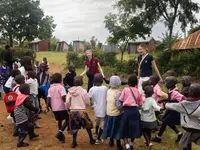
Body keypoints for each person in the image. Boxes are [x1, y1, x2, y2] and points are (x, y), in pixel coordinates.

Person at [165, 84, 200, 150]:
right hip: (198, 126)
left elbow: (173, 106)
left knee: (184, 144)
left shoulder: (185, 104)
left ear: (191, 93)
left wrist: (165, 104)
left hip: (191, 128)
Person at [152, 76, 184, 143]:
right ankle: (179, 134)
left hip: (173, 111)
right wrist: (163, 100)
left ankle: (158, 137)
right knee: (166, 122)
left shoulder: (175, 92)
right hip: (170, 109)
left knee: (165, 121)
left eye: (167, 82)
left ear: (171, 84)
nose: (165, 84)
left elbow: (182, 99)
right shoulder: (170, 90)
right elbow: (170, 98)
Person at [66, 76, 95, 148]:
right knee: (88, 125)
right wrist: (87, 104)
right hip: (82, 112)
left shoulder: (70, 91)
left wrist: (69, 108)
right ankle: (91, 139)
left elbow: (67, 102)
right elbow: (87, 101)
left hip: (73, 112)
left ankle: (74, 142)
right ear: (82, 83)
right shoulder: (83, 91)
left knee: (74, 127)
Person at [119, 74, 144, 150]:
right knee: (134, 127)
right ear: (136, 83)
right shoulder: (138, 91)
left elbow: (121, 100)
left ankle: (127, 146)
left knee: (124, 127)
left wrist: (122, 107)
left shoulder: (125, 90)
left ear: (128, 82)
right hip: (135, 111)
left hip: (127, 111)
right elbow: (141, 103)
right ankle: (131, 143)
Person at [102, 76, 123, 150]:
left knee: (110, 127)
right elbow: (118, 105)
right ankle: (118, 144)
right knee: (117, 128)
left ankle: (111, 141)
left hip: (108, 113)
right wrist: (122, 109)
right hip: (116, 114)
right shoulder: (118, 93)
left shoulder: (108, 91)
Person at [47, 73, 68, 143]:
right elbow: (63, 97)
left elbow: (48, 98)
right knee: (68, 119)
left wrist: (47, 106)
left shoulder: (50, 88)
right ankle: (60, 132)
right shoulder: (61, 87)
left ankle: (61, 138)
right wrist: (68, 104)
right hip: (62, 107)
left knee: (60, 121)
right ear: (60, 79)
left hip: (55, 108)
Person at [89, 74, 108, 144]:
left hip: (96, 109)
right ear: (102, 81)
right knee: (102, 125)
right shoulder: (105, 88)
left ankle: (96, 133)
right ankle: (99, 138)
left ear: (94, 81)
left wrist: (91, 103)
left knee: (97, 121)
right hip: (104, 109)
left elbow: (89, 98)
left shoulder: (92, 89)